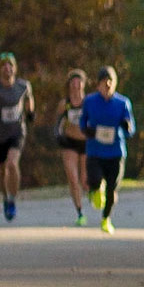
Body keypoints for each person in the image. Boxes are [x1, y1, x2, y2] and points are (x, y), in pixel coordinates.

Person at [78, 66, 135, 235]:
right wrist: (86, 130)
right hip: (95, 151)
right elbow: (82, 122)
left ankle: (106, 219)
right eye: (105, 82)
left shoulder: (123, 103)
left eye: (111, 81)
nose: (108, 84)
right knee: (95, 180)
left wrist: (127, 126)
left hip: (116, 152)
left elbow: (130, 129)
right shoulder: (89, 101)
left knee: (112, 189)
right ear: (98, 85)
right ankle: (94, 190)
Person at [0, 52, 34, 222]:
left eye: (10, 65)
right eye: (3, 66)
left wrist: (31, 113)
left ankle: (12, 200)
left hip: (17, 132)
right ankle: (5, 196)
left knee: (12, 163)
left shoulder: (23, 86)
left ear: (15, 68)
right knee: (1, 169)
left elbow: (29, 99)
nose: (7, 69)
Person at [54, 69, 90, 225]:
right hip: (69, 143)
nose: (76, 85)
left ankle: (92, 194)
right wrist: (59, 137)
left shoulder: (89, 102)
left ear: (84, 84)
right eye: (73, 82)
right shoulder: (65, 104)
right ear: (68, 85)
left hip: (87, 143)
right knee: (72, 178)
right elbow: (58, 124)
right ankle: (80, 212)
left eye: (79, 82)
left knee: (84, 180)